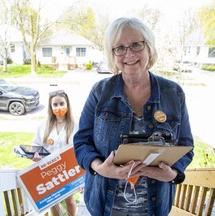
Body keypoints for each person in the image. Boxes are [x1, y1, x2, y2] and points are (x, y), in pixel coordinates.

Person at [73, 17, 194, 216]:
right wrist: (101, 168)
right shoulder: (99, 92)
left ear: (149, 48)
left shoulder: (173, 93)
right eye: (119, 48)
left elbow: (186, 145)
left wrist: (172, 174)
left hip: (155, 208)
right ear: (112, 54)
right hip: (105, 207)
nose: (128, 54)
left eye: (136, 45)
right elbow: (81, 142)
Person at [32, 90, 78, 216]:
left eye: (62, 103)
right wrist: (35, 155)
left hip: (68, 170)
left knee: (69, 199)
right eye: (55, 105)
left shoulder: (76, 125)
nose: (59, 107)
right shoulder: (43, 125)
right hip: (49, 169)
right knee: (53, 201)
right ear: (51, 107)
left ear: (67, 104)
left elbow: (81, 146)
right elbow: (36, 146)